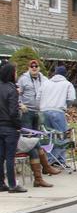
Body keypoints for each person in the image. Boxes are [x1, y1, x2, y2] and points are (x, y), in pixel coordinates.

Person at [38, 64, 76, 167]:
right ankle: (58, 160)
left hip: (44, 112)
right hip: (58, 111)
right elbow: (71, 98)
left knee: (48, 137)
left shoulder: (45, 83)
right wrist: (66, 105)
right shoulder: (67, 84)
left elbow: (38, 97)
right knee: (62, 137)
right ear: (65, 74)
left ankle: (52, 160)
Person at [1, 61, 28, 193]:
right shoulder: (12, 89)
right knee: (10, 157)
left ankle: (1, 183)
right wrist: (18, 125)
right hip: (10, 127)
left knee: (0, 156)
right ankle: (12, 184)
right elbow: (13, 111)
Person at [16, 58, 47, 130]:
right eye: (32, 66)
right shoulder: (23, 79)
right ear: (28, 68)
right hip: (27, 111)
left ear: (39, 68)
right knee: (27, 135)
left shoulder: (45, 79)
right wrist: (21, 104)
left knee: (39, 135)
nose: (34, 68)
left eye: (36, 66)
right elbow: (18, 94)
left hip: (40, 111)